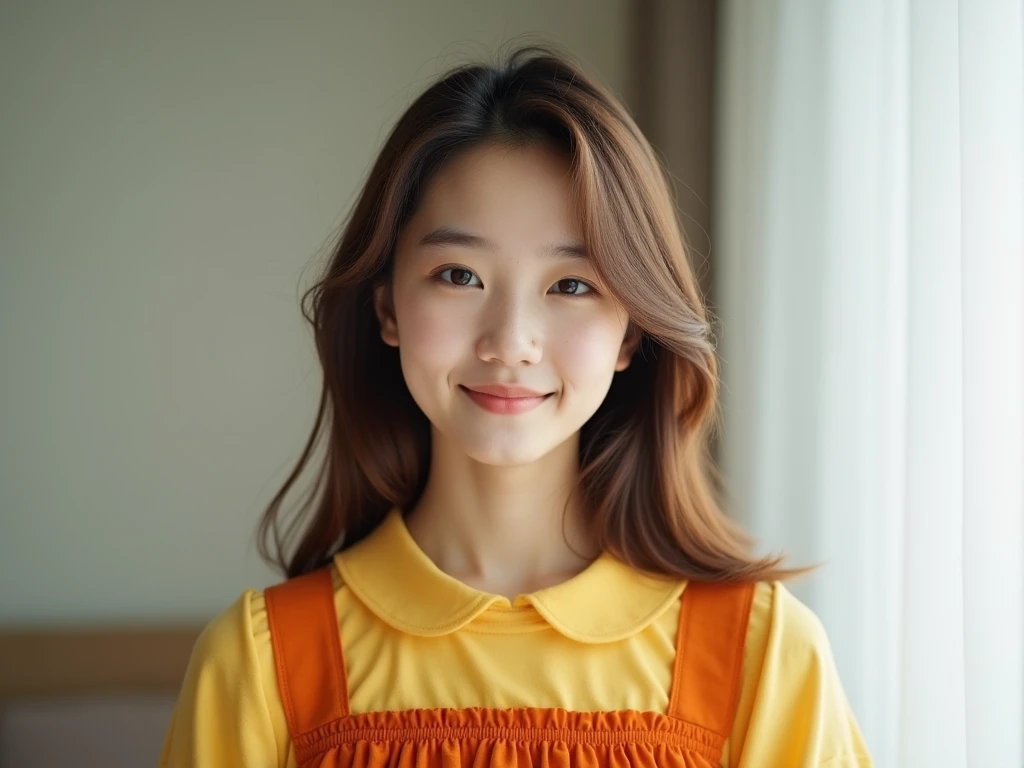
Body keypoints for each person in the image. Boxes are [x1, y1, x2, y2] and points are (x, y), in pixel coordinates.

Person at [158, 44, 872, 768]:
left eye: (572, 285)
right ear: (388, 307)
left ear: (631, 333)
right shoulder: (260, 663)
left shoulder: (763, 657)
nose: (510, 342)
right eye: (459, 274)